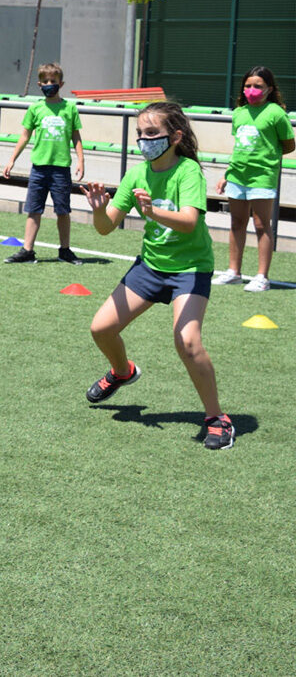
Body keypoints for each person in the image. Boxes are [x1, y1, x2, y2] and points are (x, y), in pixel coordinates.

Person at [81, 102, 233, 450]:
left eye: (152, 134)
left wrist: (153, 211)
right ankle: (122, 372)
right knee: (100, 329)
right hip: (150, 267)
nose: (144, 140)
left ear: (175, 136)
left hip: (190, 268)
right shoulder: (136, 174)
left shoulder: (188, 171)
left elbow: (190, 221)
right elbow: (106, 229)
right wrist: (100, 209)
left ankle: (216, 419)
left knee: (188, 341)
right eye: (140, 134)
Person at [211, 66, 293, 292]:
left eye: (258, 86)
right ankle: (233, 272)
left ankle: (261, 277)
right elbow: (240, 147)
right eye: (248, 85)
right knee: (237, 222)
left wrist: (267, 159)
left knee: (261, 225)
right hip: (237, 175)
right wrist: (227, 174)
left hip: (263, 177)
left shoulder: (275, 113)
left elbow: (288, 144)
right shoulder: (239, 113)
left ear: (269, 89)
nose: (252, 90)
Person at [1, 62, 84, 264]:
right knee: (34, 209)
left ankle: (65, 250)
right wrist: (12, 159)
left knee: (63, 211)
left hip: (61, 169)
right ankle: (27, 251)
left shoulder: (70, 108)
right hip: (38, 169)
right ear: (39, 84)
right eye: (45, 81)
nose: (49, 84)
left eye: (53, 81)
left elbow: (76, 136)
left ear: (61, 83)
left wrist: (81, 160)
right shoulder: (35, 108)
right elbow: (24, 136)